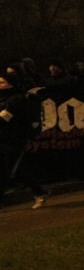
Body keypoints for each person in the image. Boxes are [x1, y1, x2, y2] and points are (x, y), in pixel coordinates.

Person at [0, 70, 48, 209]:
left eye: (2, 82)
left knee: (14, 169)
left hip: (13, 139)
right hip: (3, 138)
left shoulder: (16, 99)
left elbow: (5, 118)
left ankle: (40, 192)